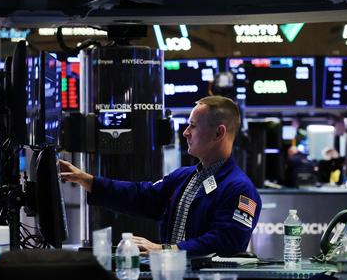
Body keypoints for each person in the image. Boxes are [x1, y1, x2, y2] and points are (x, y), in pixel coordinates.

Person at [59, 96, 261, 256]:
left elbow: (225, 242)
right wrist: (86, 180)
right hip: (174, 278)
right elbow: (142, 196)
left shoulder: (240, 189)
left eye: (193, 125)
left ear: (219, 133)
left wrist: (164, 251)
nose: (186, 132)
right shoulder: (185, 177)